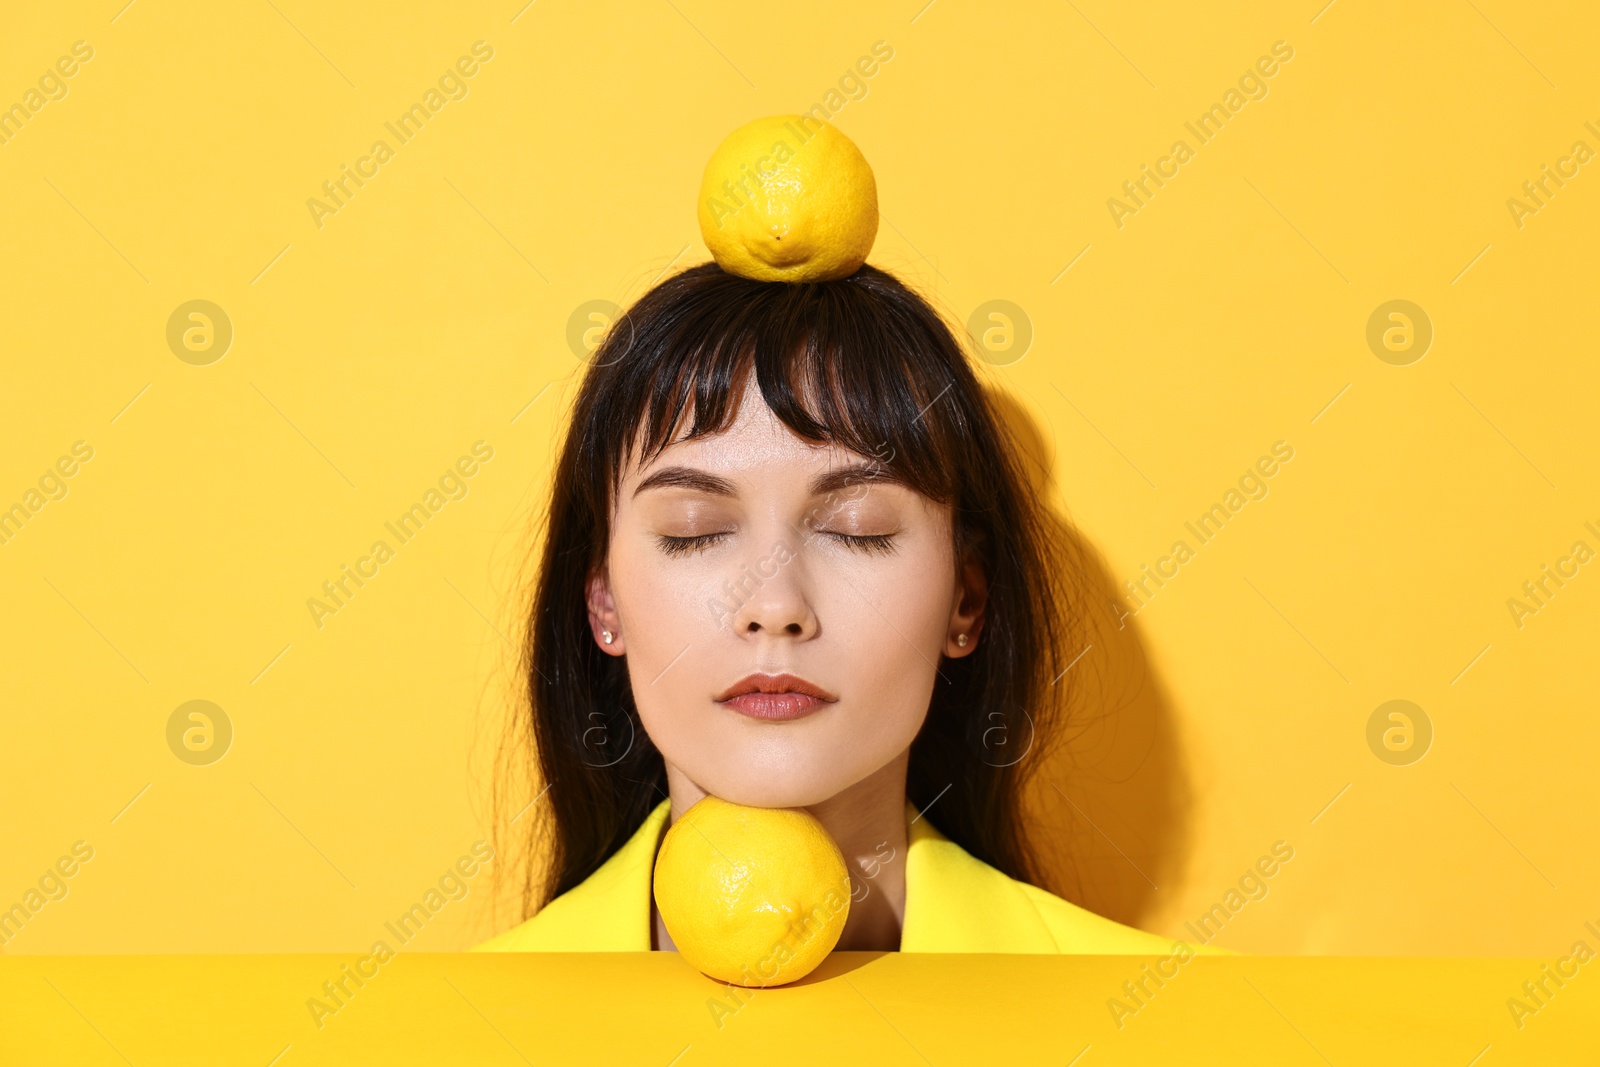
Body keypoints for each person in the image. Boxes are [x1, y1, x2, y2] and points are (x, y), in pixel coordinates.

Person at [473, 259, 1214, 958]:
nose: (773, 605)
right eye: (693, 531)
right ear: (603, 602)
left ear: (967, 600)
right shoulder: (446, 1034)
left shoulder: (1181, 1031)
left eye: (856, 529)